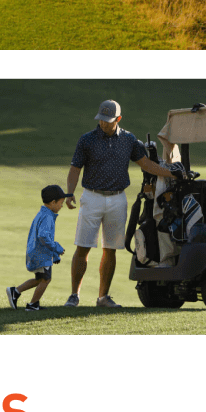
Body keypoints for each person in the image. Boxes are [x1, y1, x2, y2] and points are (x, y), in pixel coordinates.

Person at [64, 100, 181, 309]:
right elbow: (75, 168)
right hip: (92, 197)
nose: (103, 124)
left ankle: (103, 298)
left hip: (117, 199)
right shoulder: (87, 140)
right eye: (101, 120)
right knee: (83, 247)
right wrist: (69, 192)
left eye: (108, 121)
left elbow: (146, 164)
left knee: (110, 249)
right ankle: (74, 295)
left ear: (118, 119)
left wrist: (171, 172)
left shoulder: (129, 140)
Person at [6, 185, 73, 312]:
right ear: (53, 202)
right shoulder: (47, 217)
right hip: (41, 254)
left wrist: (55, 255)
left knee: (39, 279)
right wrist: (56, 248)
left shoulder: (43, 213)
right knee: (46, 279)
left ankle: (15, 292)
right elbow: (43, 236)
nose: (62, 206)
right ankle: (32, 305)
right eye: (61, 203)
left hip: (37, 253)